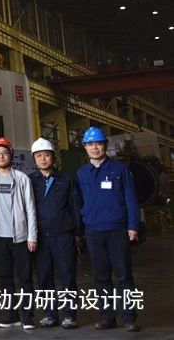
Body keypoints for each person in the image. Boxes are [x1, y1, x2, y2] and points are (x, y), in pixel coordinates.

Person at [77, 126, 141, 332]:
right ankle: (107, 317)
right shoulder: (82, 173)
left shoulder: (119, 169)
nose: (94, 148)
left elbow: (130, 197)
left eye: (98, 143)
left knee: (124, 276)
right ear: (85, 148)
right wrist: (80, 229)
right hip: (93, 232)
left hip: (117, 230)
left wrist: (133, 225)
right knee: (101, 277)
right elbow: (80, 203)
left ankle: (129, 317)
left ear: (105, 145)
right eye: (90, 144)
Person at [29, 137, 82, 329]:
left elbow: (75, 206)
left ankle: (69, 315)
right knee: (44, 276)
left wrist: (78, 232)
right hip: (41, 237)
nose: (43, 159)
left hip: (64, 235)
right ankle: (50, 314)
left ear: (53, 157)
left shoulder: (66, 179)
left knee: (67, 275)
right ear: (34, 159)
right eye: (39, 156)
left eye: (46, 155)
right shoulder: (30, 181)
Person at [0, 137, 37, 329]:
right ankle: (11, 315)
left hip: (20, 237)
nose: (1, 156)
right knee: (5, 278)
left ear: (11, 155)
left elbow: (30, 208)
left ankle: (27, 316)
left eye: (4, 153)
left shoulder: (22, 178)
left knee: (24, 278)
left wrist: (32, 236)